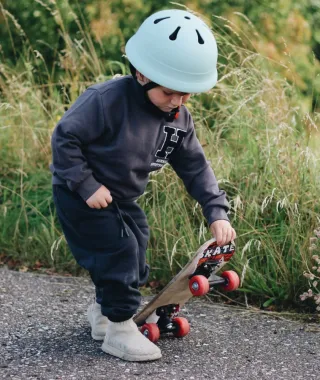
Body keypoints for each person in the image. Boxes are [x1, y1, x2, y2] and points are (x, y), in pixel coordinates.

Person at [50, 9, 236, 362]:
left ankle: (105, 313)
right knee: (119, 252)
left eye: (186, 95)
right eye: (169, 93)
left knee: (137, 247)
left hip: (121, 197)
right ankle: (119, 330)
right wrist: (86, 184)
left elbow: (195, 167)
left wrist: (216, 212)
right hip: (80, 194)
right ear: (141, 75)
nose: (178, 102)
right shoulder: (105, 101)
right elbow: (64, 139)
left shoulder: (178, 117)